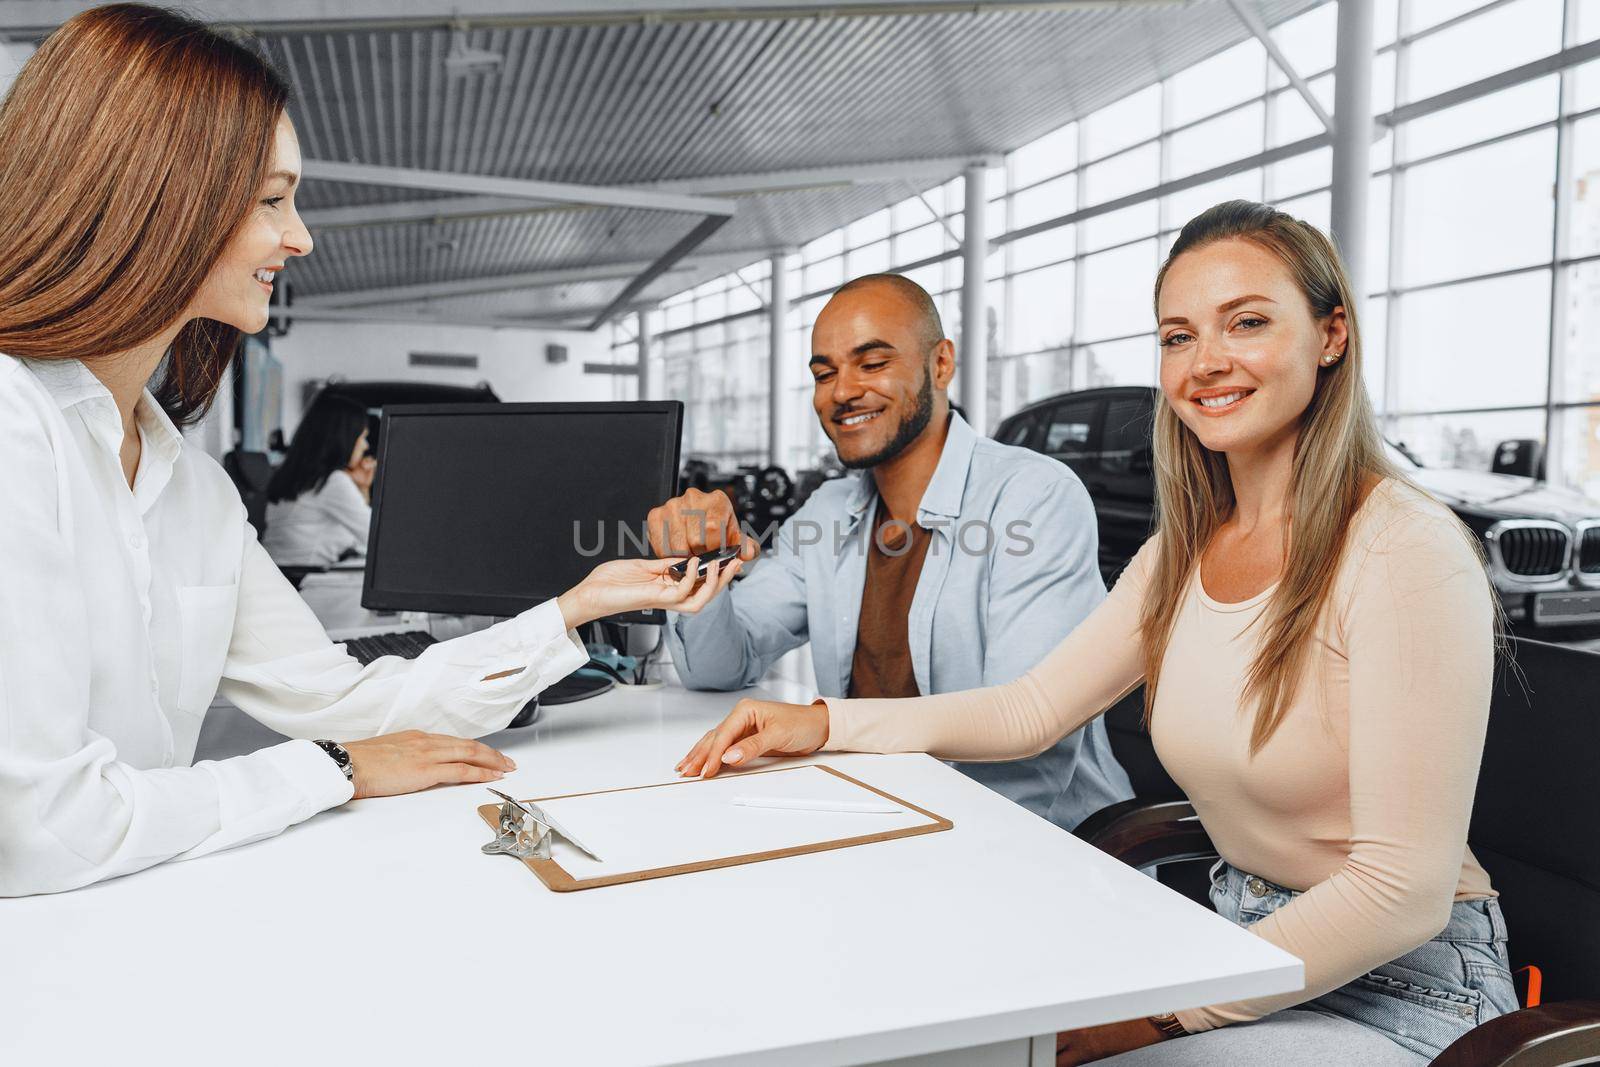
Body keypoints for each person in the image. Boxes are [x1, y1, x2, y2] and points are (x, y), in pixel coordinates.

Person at [678, 202, 1517, 1065]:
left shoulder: (1402, 547)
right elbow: (1031, 708)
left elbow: (1400, 892)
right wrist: (824, 722)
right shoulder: (1185, 549)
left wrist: (1160, 1015)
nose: (1207, 362)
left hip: (1399, 985)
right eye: (1178, 337)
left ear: (1331, 335)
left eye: (1249, 322)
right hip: (1236, 936)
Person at [0, 4, 738, 897]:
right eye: (273, 199)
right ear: (162, 197)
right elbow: (38, 829)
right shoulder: (14, 428)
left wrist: (575, 609)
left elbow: (342, 701)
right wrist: (335, 770)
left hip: (138, 917)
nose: (300, 235)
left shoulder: (190, 489)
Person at [650, 273, 1131, 832]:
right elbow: (717, 669)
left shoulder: (1033, 497)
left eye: (872, 364)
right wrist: (702, 563)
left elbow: (1025, 751)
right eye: (824, 374)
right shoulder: (829, 511)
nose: (842, 391)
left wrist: (827, 726)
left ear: (941, 364)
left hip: (1041, 845)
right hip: (876, 815)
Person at [261, 394, 375, 567]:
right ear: (344, 438)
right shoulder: (333, 482)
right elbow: (375, 538)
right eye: (362, 437)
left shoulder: (294, 474)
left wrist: (362, 488)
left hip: (280, 575)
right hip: (305, 580)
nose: (365, 445)